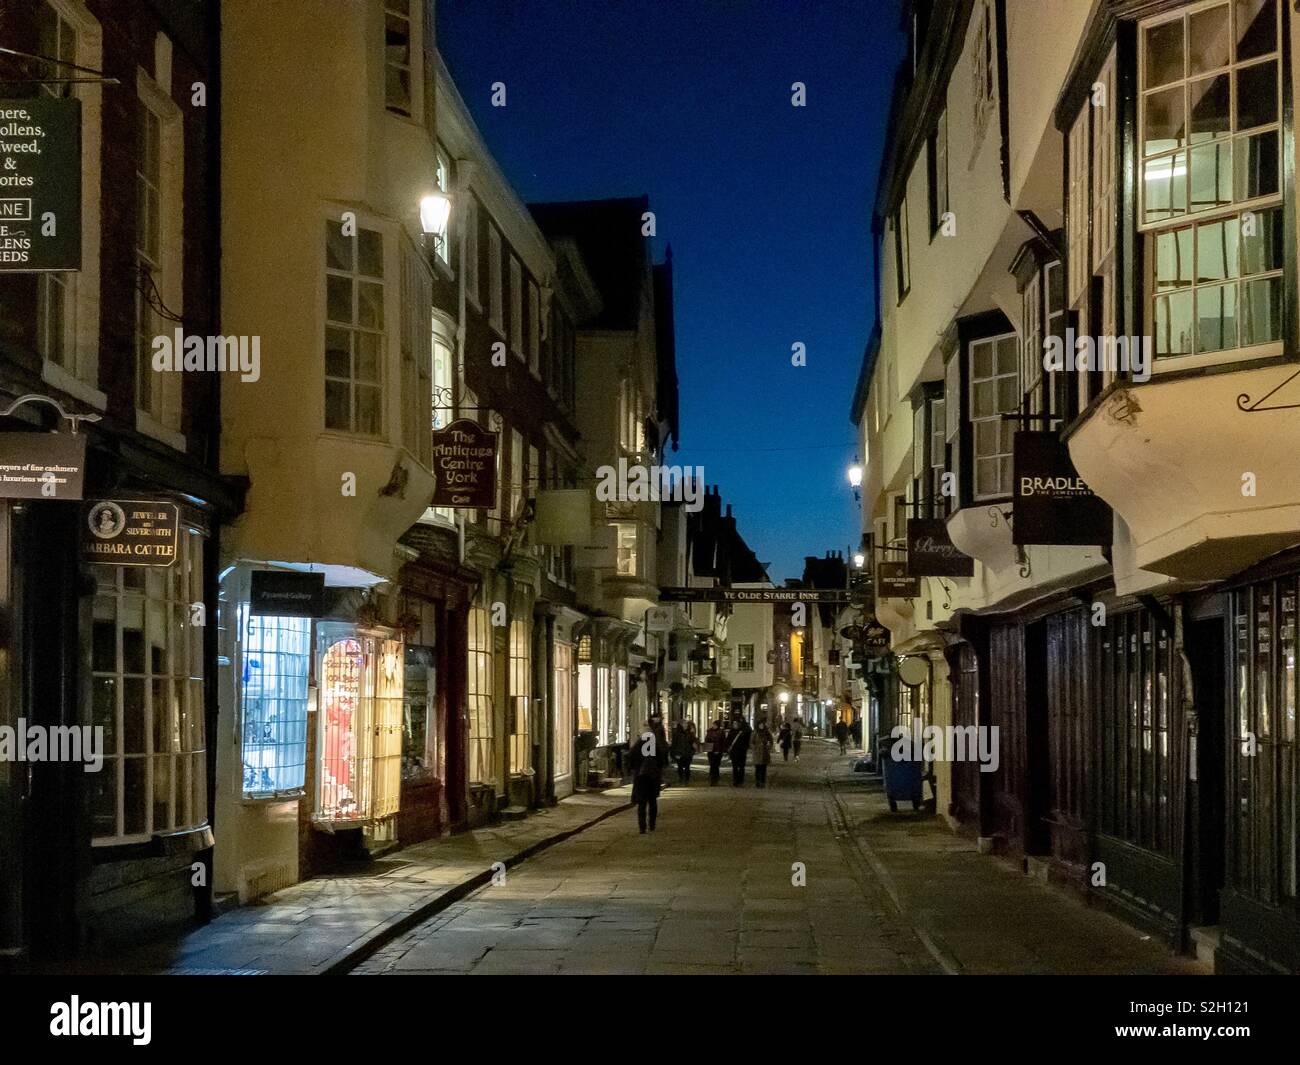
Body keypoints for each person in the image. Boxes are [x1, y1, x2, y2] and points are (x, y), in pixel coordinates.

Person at [628, 715, 668, 833]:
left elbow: (631, 757)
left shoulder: (639, 743)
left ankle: (642, 827)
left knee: (642, 802)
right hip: (653, 776)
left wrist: (633, 768)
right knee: (652, 801)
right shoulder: (655, 743)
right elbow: (662, 759)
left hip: (641, 776)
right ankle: (652, 824)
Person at [726, 713, 752, 787]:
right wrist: (727, 748)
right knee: (734, 767)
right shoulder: (732, 731)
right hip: (734, 752)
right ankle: (735, 780)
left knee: (741, 766)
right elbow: (728, 740)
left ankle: (740, 780)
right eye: (734, 723)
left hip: (741, 751)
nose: (735, 724)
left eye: (736, 723)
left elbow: (748, 739)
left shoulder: (744, 731)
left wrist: (745, 748)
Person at [670, 718, 697, 784]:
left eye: (686, 724)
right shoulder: (677, 733)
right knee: (680, 767)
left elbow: (694, 742)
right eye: (684, 724)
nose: (685, 725)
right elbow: (674, 744)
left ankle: (686, 779)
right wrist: (673, 753)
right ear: (681, 725)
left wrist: (692, 751)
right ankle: (681, 778)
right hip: (679, 753)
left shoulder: (690, 733)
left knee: (687, 767)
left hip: (688, 753)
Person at [704, 718, 727, 785]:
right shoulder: (709, 731)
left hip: (718, 751)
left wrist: (721, 750)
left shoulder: (721, 732)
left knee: (716, 765)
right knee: (712, 764)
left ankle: (715, 778)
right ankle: (712, 778)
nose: (714, 726)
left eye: (715, 725)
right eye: (713, 724)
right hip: (711, 750)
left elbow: (723, 742)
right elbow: (706, 740)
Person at [752, 721, 774, 787]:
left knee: (763, 768)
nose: (761, 726)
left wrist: (768, 747)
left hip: (765, 753)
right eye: (760, 725)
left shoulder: (767, 732)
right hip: (757, 753)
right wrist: (755, 748)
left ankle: (762, 781)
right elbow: (751, 742)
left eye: (762, 724)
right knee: (757, 768)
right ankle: (757, 781)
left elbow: (771, 741)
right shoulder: (755, 732)